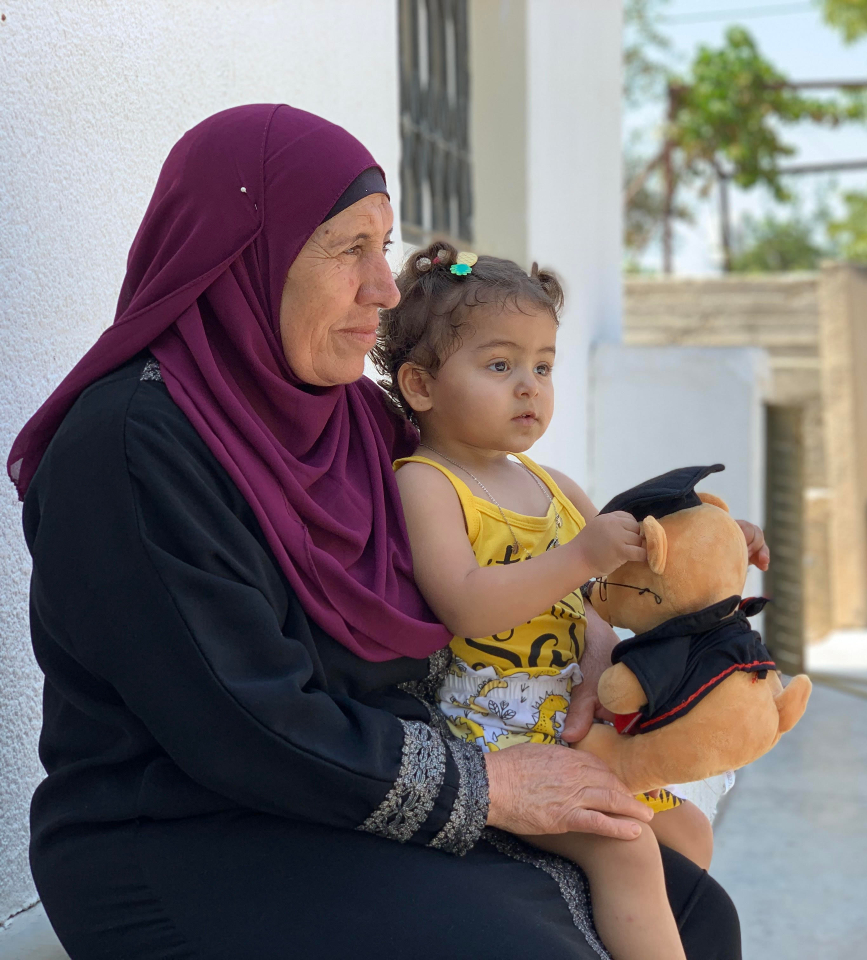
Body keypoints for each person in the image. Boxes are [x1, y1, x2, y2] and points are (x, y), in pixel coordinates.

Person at [11, 104, 741, 959]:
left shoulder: (356, 421)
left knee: (696, 910)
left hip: (363, 797)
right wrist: (488, 786)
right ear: (246, 255)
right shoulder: (134, 446)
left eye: (383, 247)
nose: (385, 290)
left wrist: (587, 648)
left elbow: (498, 562)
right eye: (348, 248)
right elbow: (243, 727)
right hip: (184, 833)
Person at [373, 241, 768, 960]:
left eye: (543, 366)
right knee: (627, 852)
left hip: (574, 721)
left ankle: (612, 926)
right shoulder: (427, 484)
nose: (530, 387)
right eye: (500, 366)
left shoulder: (553, 486)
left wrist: (722, 543)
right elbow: (466, 603)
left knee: (690, 834)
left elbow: (617, 596)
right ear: (422, 386)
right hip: (497, 732)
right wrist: (580, 556)